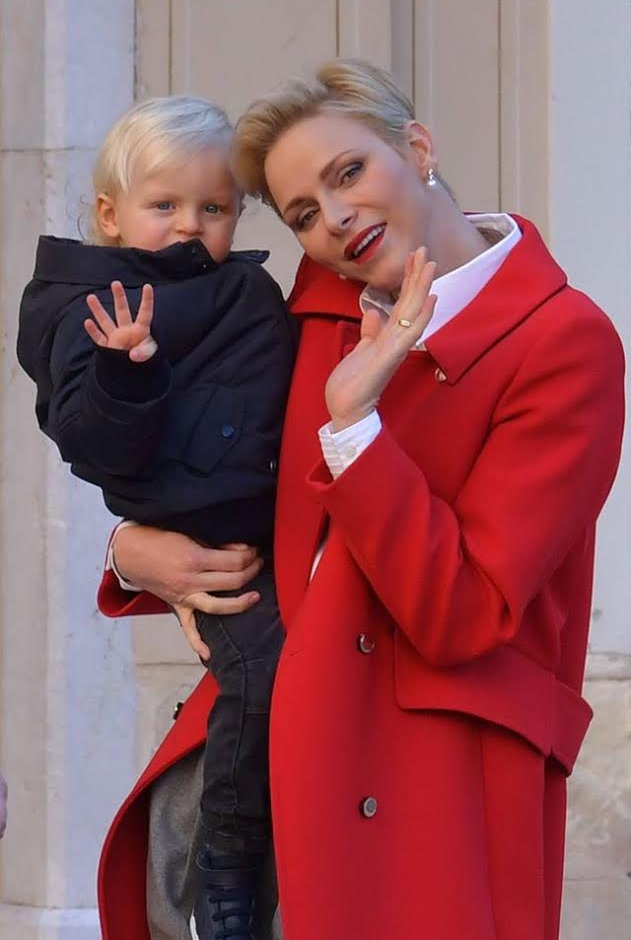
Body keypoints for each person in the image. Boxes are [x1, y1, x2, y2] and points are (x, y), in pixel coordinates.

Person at [97, 60, 624, 940]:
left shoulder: (565, 344)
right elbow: (212, 467)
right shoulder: (317, 301)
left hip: (431, 788)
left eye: (348, 173)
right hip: (256, 766)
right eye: (303, 212)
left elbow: (463, 610)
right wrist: (134, 551)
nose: (334, 219)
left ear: (415, 148)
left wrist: (355, 429)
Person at [17, 96, 295, 940]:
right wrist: (128, 370)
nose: (189, 227)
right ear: (110, 213)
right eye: (165, 206)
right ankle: (227, 861)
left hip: (271, 523)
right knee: (256, 679)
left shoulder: (247, 291)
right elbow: (93, 443)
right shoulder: (95, 308)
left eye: (213, 209)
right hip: (217, 540)